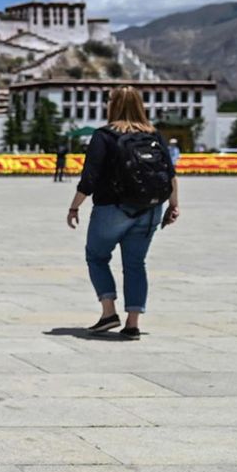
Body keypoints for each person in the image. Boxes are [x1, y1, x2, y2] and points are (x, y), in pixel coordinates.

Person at [67, 86, 180, 340]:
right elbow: (171, 174)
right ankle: (132, 323)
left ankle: (108, 312)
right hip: (150, 208)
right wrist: (174, 205)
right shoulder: (154, 134)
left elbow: (90, 178)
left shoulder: (104, 135)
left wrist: (75, 206)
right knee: (135, 264)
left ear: (113, 105)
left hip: (112, 208)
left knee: (96, 257)